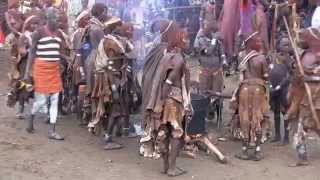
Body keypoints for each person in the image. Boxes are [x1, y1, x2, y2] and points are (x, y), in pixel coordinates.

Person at [141, 19, 191, 177]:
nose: (186, 42)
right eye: (183, 39)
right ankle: (172, 168)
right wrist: (162, 100)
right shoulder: (178, 59)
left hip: (161, 101)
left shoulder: (165, 56)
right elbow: (168, 83)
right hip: (172, 102)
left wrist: (157, 103)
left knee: (163, 132)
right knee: (176, 133)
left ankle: (165, 166)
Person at [24, 7, 65, 140]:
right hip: (41, 69)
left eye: (58, 18)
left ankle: (52, 131)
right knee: (41, 100)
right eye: (55, 18)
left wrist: (66, 59)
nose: (58, 21)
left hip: (54, 70)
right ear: (48, 18)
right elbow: (32, 53)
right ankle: (31, 116)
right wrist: (27, 73)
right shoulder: (38, 33)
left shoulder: (59, 33)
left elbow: (59, 51)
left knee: (54, 99)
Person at [285, 27, 320, 166]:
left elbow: (304, 75)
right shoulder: (305, 54)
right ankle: (302, 156)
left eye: (304, 39)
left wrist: (308, 75)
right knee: (309, 126)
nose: (300, 41)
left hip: (312, 96)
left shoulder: (313, 55)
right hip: (306, 96)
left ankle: (302, 157)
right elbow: (297, 76)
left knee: (303, 126)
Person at [235, 31, 269, 161]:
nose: (260, 43)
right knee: (257, 117)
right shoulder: (261, 58)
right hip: (258, 90)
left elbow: (241, 73)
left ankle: (244, 150)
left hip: (243, 89)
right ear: (251, 43)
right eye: (258, 41)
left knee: (244, 116)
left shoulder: (240, 55)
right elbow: (266, 76)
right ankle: (257, 151)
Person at [7, 15, 41, 119]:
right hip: (25, 65)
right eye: (33, 23)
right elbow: (22, 52)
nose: (35, 25)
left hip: (36, 64)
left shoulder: (38, 36)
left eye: (36, 23)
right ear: (28, 25)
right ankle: (20, 109)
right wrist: (30, 49)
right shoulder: (24, 37)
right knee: (24, 86)